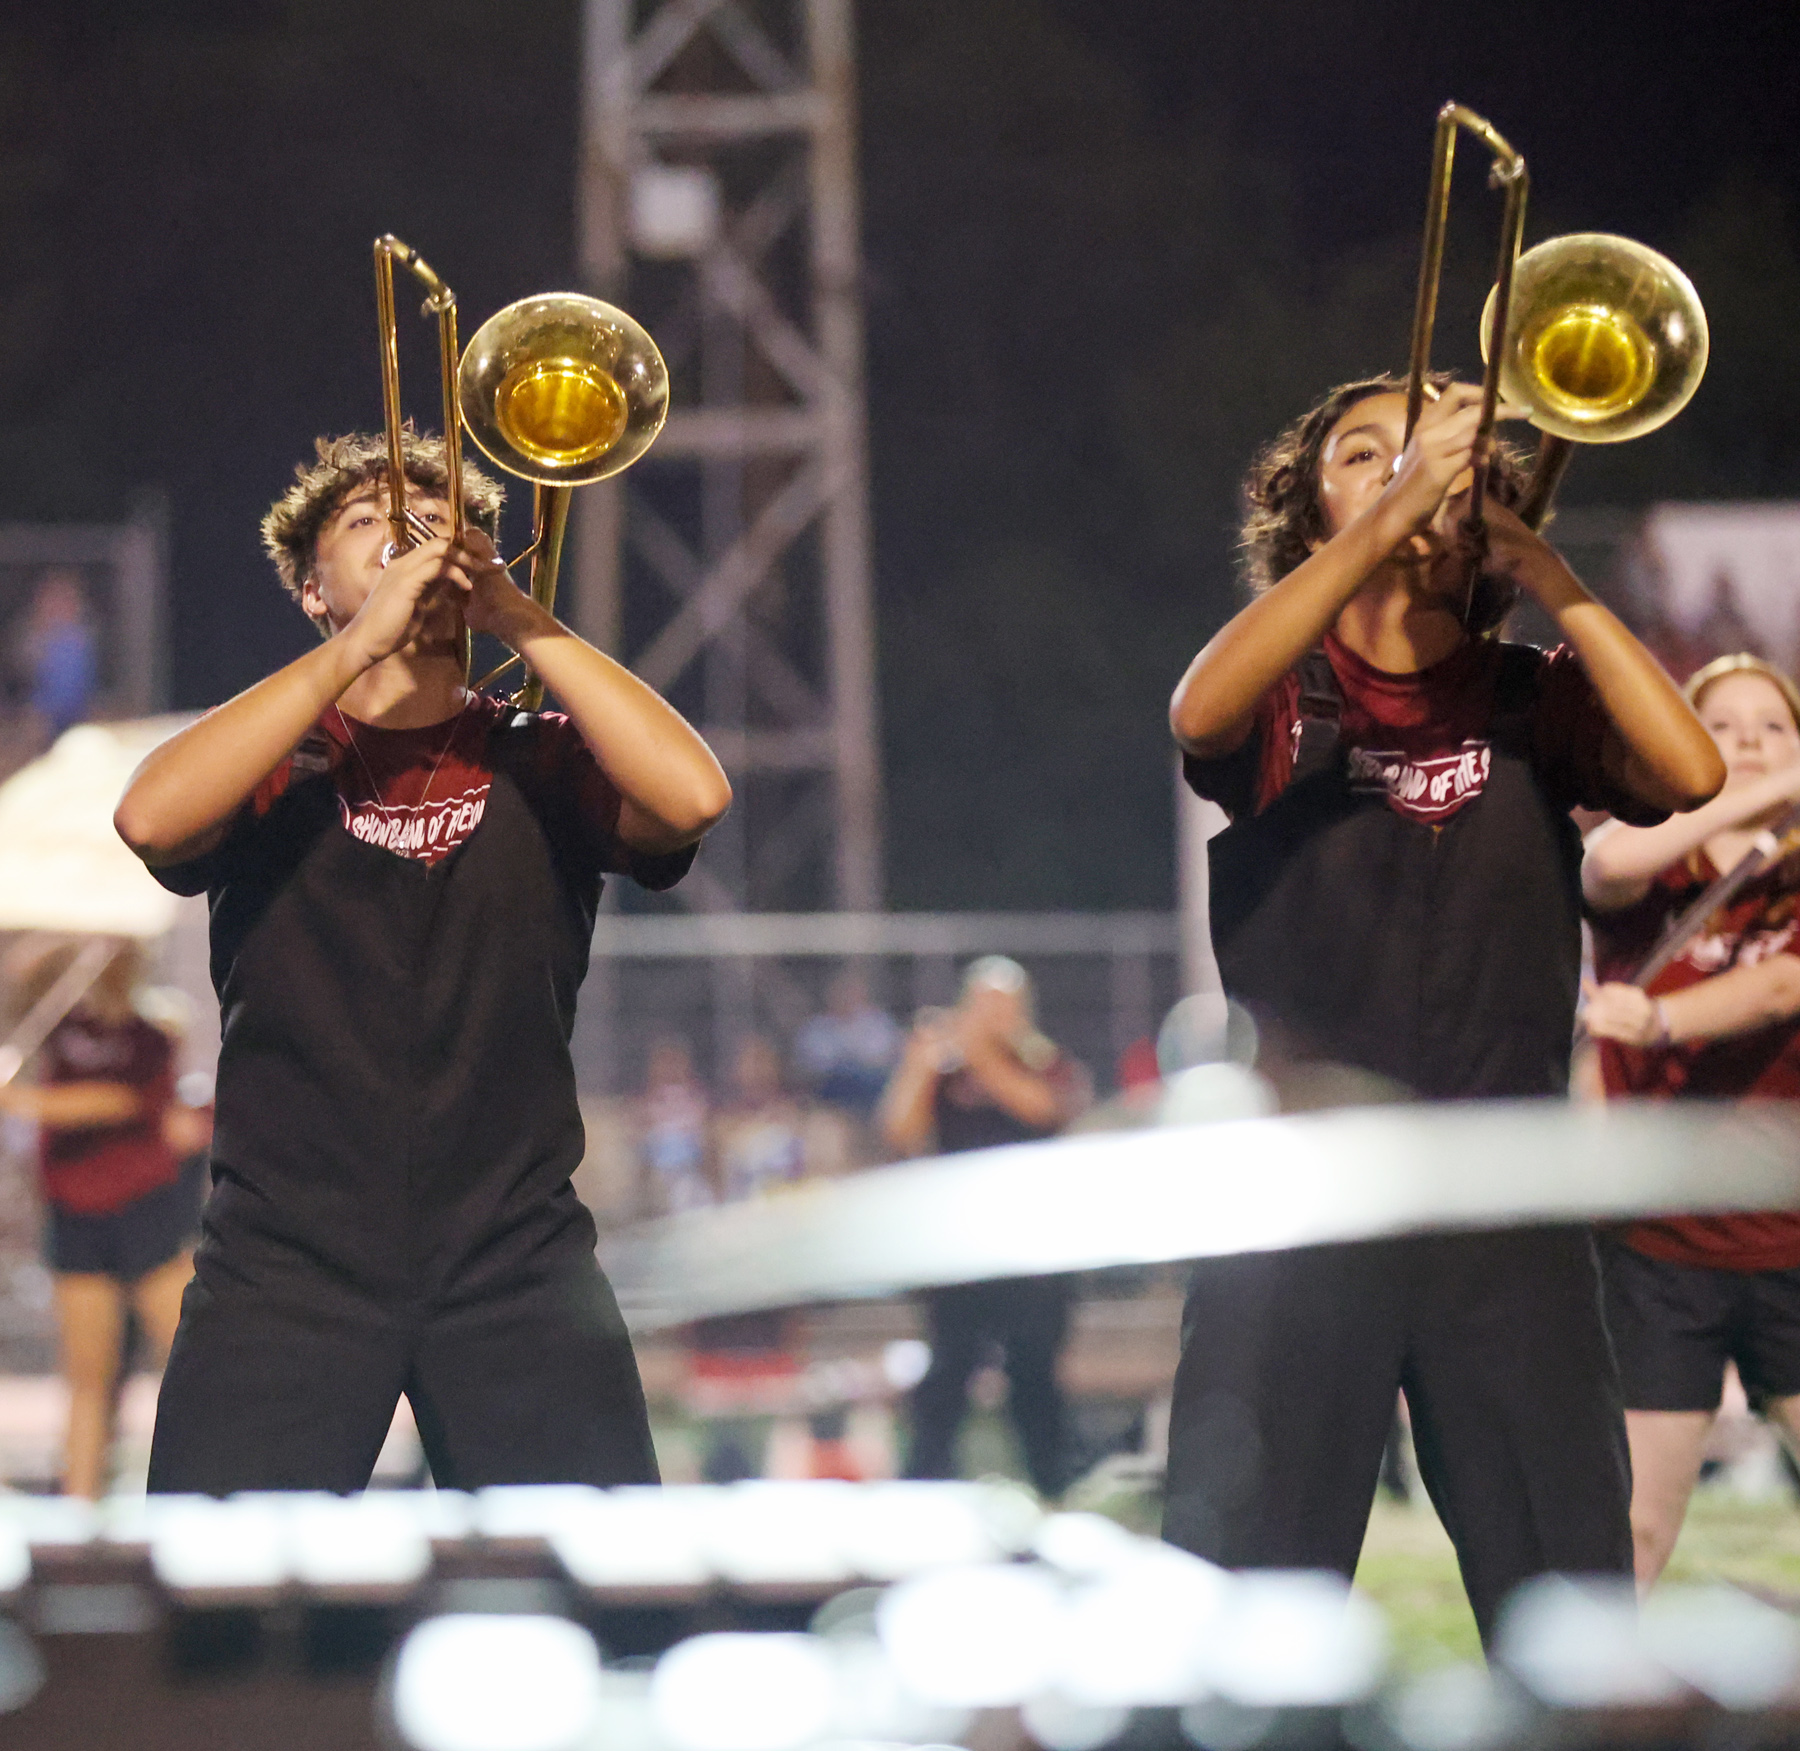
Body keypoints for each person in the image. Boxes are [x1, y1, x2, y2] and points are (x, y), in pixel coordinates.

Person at [1167, 373, 1724, 1645]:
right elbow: (1197, 712)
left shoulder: (1533, 694)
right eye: (1363, 456)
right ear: (1310, 515)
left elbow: (1690, 768)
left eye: (1428, 455)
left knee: (1572, 1606)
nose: (1402, 470)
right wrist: (1388, 518)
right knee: (1247, 1616)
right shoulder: (1288, 689)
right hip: (1300, 1213)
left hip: (1504, 1208)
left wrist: (1543, 565)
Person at [112, 429, 731, 1495]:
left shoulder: (541, 753)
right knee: (220, 1591)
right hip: (284, 1264)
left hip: (517, 1257)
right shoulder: (275, 755)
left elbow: (694, 795)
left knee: (594, 1580)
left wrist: (520, 617)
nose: (409, 535)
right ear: (313, 591)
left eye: (440, 523)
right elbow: (149, 817)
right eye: (368, 523)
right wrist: (357, 649)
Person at [1583, 653, 1800, 1589]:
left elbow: (1783, 985)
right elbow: (1605, 862)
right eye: (1722, 727)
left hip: (1790, 1238)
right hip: (1659, 1251)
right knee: (1635, 1529)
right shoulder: (1652, 862)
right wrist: (1753, 793)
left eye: (1774, 727)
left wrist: (1663, 1018)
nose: (1749, 743)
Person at [878, 956, 1088, 1498]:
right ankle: (923, 1490)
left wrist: (980, 1052)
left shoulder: (1044, 1062)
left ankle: (1055, 1492)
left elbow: (1042, 1110)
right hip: (961, 1251)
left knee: (1034, 1379)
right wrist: (920, 1062)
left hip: (1031, 1252)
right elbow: (901, 1130)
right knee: (946, 1377)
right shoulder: (946, 1071)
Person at [0, 938, 203, 1498]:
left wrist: (24, 1103)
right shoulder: (60, 1024)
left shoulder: (152, 1033)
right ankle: (80, 1508)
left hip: (145, 1213)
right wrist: (75, 941)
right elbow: (21, 982)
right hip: (76, 1217)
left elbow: (122, 1101)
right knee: (88, 1377)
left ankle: (201, 1493)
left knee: (190, 1359)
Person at [793, 969, 901, 1122]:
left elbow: (884, 1057)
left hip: (871, 1085)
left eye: (851, 991)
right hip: (832, 1087)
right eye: (841, 992)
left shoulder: (878, 1022)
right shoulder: (816, 1027)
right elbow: (812, 1065)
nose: (846, 997)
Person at [635, 1035, 715, 1217]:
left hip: (691, 1176)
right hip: (658, 1179)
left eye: (675, 1062)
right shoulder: (645, 1105)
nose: (669, 1069)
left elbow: (708, 1146)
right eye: (664, 1062)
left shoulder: (698, 1102)